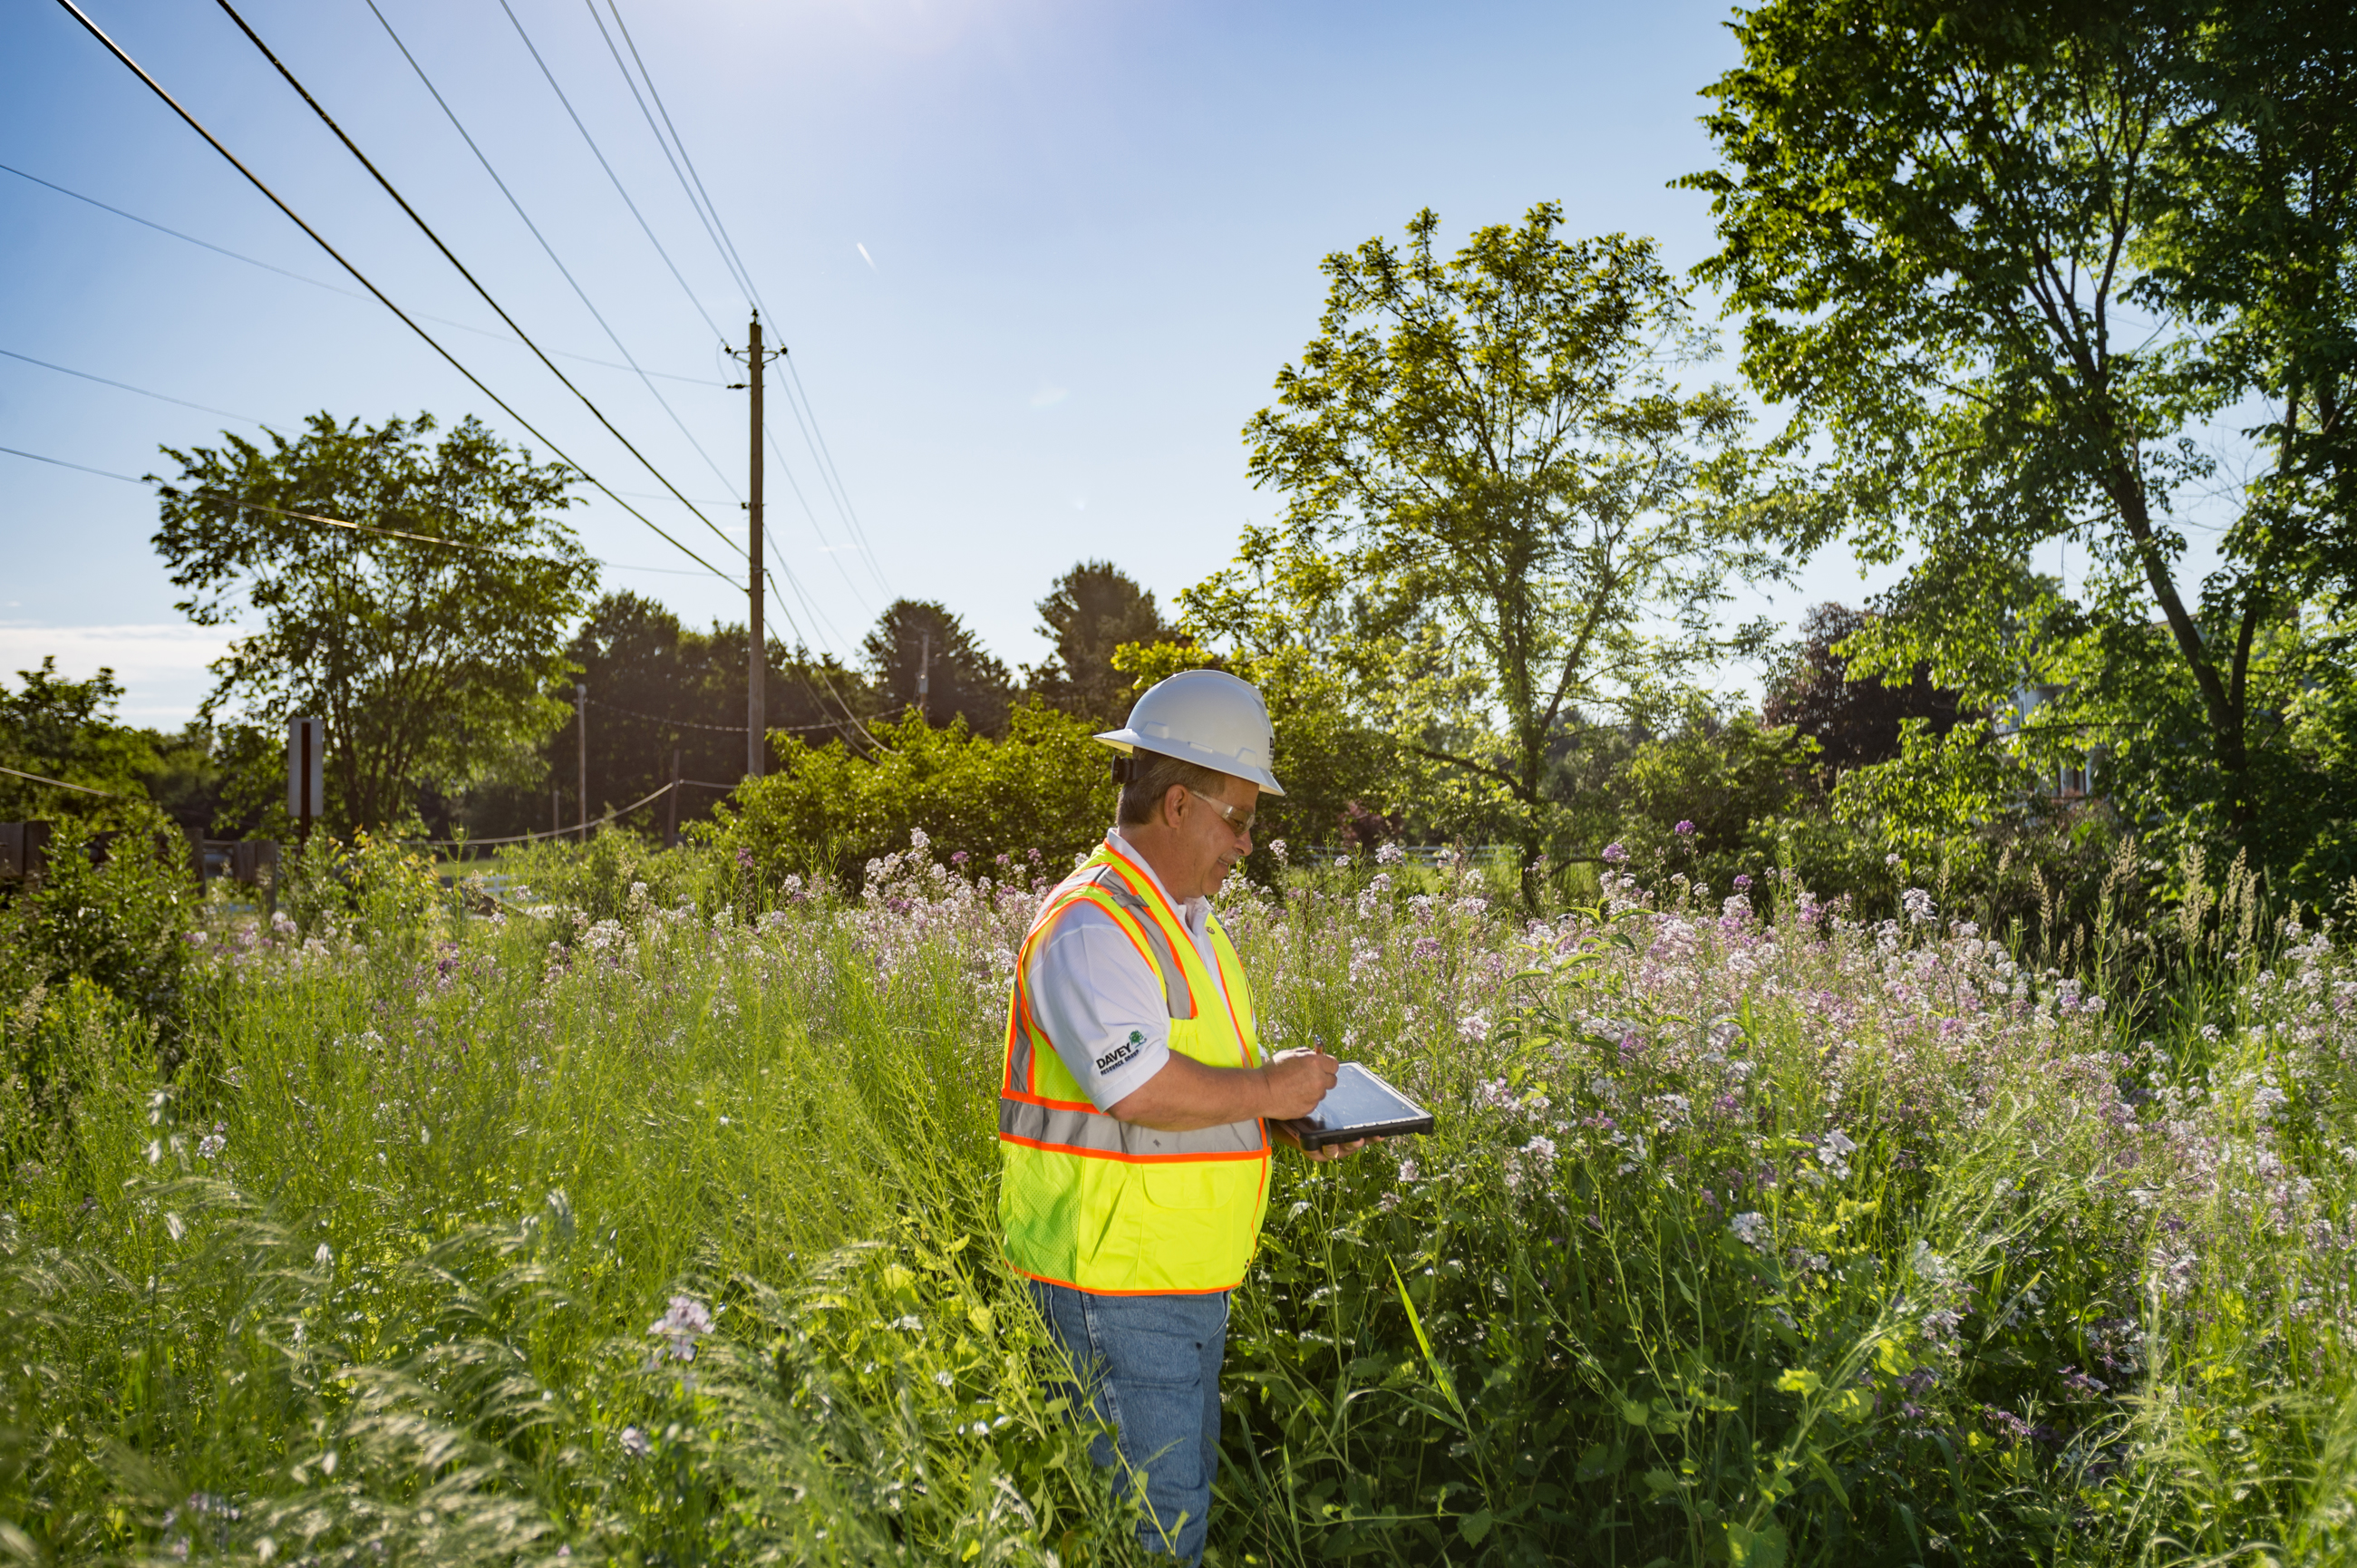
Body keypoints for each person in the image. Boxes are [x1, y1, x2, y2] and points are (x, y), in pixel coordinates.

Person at [997, 669, 1371, 1564]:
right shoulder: (1092, 926)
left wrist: (1283, 1118)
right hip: (1113, 1285)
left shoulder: (1184, 921)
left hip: (1175, 1279)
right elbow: (1138, 1089)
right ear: (1175, 804)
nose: (1246, 843)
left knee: (1164, 1513)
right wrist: (1269, 1090)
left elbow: (1198, 1087)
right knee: (1153, 1537)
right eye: (1238, 818)